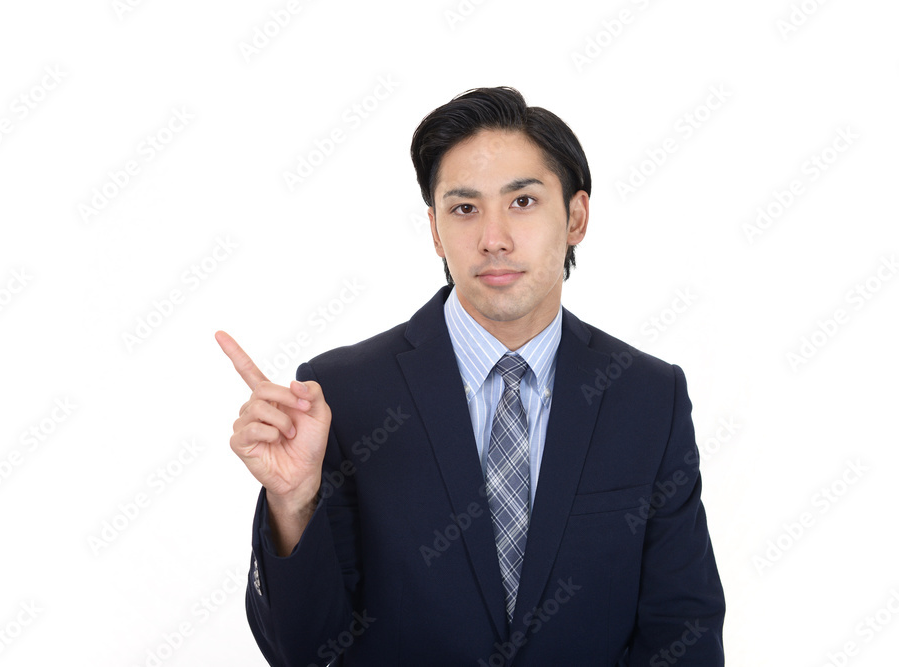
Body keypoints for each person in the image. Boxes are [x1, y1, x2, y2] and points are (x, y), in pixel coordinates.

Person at [216, 86, 725, 666]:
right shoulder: (343, 396)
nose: (493, 239)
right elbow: (300, 651)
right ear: (435, 230)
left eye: (523, 201)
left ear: (576, 217)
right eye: (464, 209)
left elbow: (683, 628)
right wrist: (292, 502)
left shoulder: (647, 397)